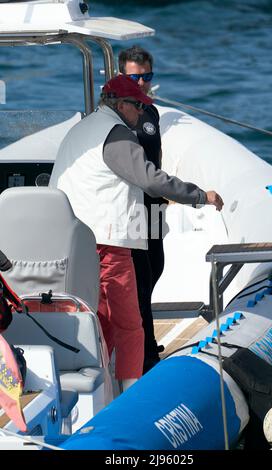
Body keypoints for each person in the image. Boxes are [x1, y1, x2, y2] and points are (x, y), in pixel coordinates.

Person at [50, 74, 223, 391]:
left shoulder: (82, 129)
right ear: (122, 104)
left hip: (74, 242)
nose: (142, 114)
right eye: (139, 107)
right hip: (109, 244)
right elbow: (152, 181)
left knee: (96, 320)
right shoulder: (116, 135)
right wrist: (200, 196)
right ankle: (133, 392)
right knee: (130, 325)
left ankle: (97, 387)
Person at [118, 46, 167, 372]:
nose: (142, 82)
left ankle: (146, 341)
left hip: (154, 207)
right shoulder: (120, 116)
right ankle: (146, 352)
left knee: (157, 267)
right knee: (141, 277)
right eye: (135, 76)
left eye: (146, 76)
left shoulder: (150, 111)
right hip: (133, 208)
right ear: (122, 76)